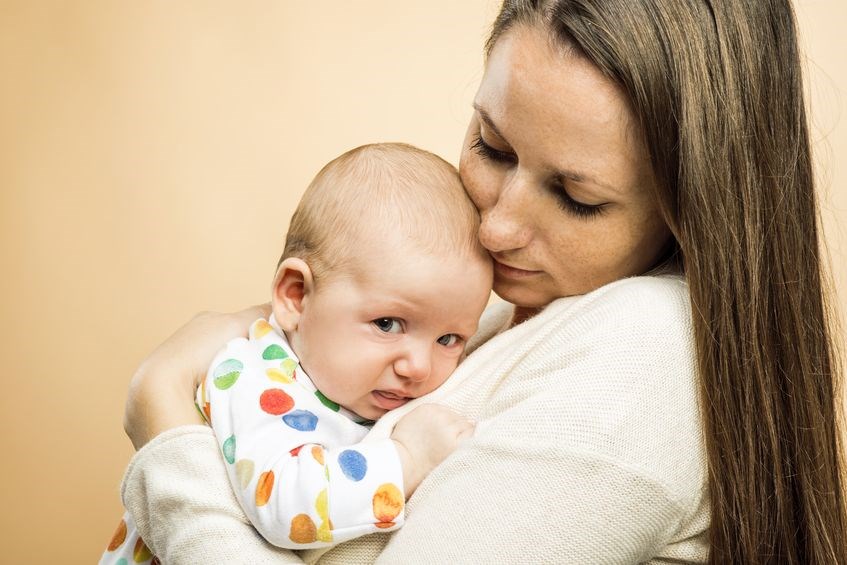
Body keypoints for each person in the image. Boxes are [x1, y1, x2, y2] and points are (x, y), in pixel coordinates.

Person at [118, 0, 847, 563]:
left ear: (690, 209)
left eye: (576, 197)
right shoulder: (499, 318)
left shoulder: (640, 356)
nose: (495, 228)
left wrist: (163, 416)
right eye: (491, 147)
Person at [101, 143, 491, 563]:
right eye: (386, 324)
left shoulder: (347, 387)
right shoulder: (252, 377)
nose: (419, 366)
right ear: (296, 296)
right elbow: (284, 504)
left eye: (449, 339)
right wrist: (407, 458)